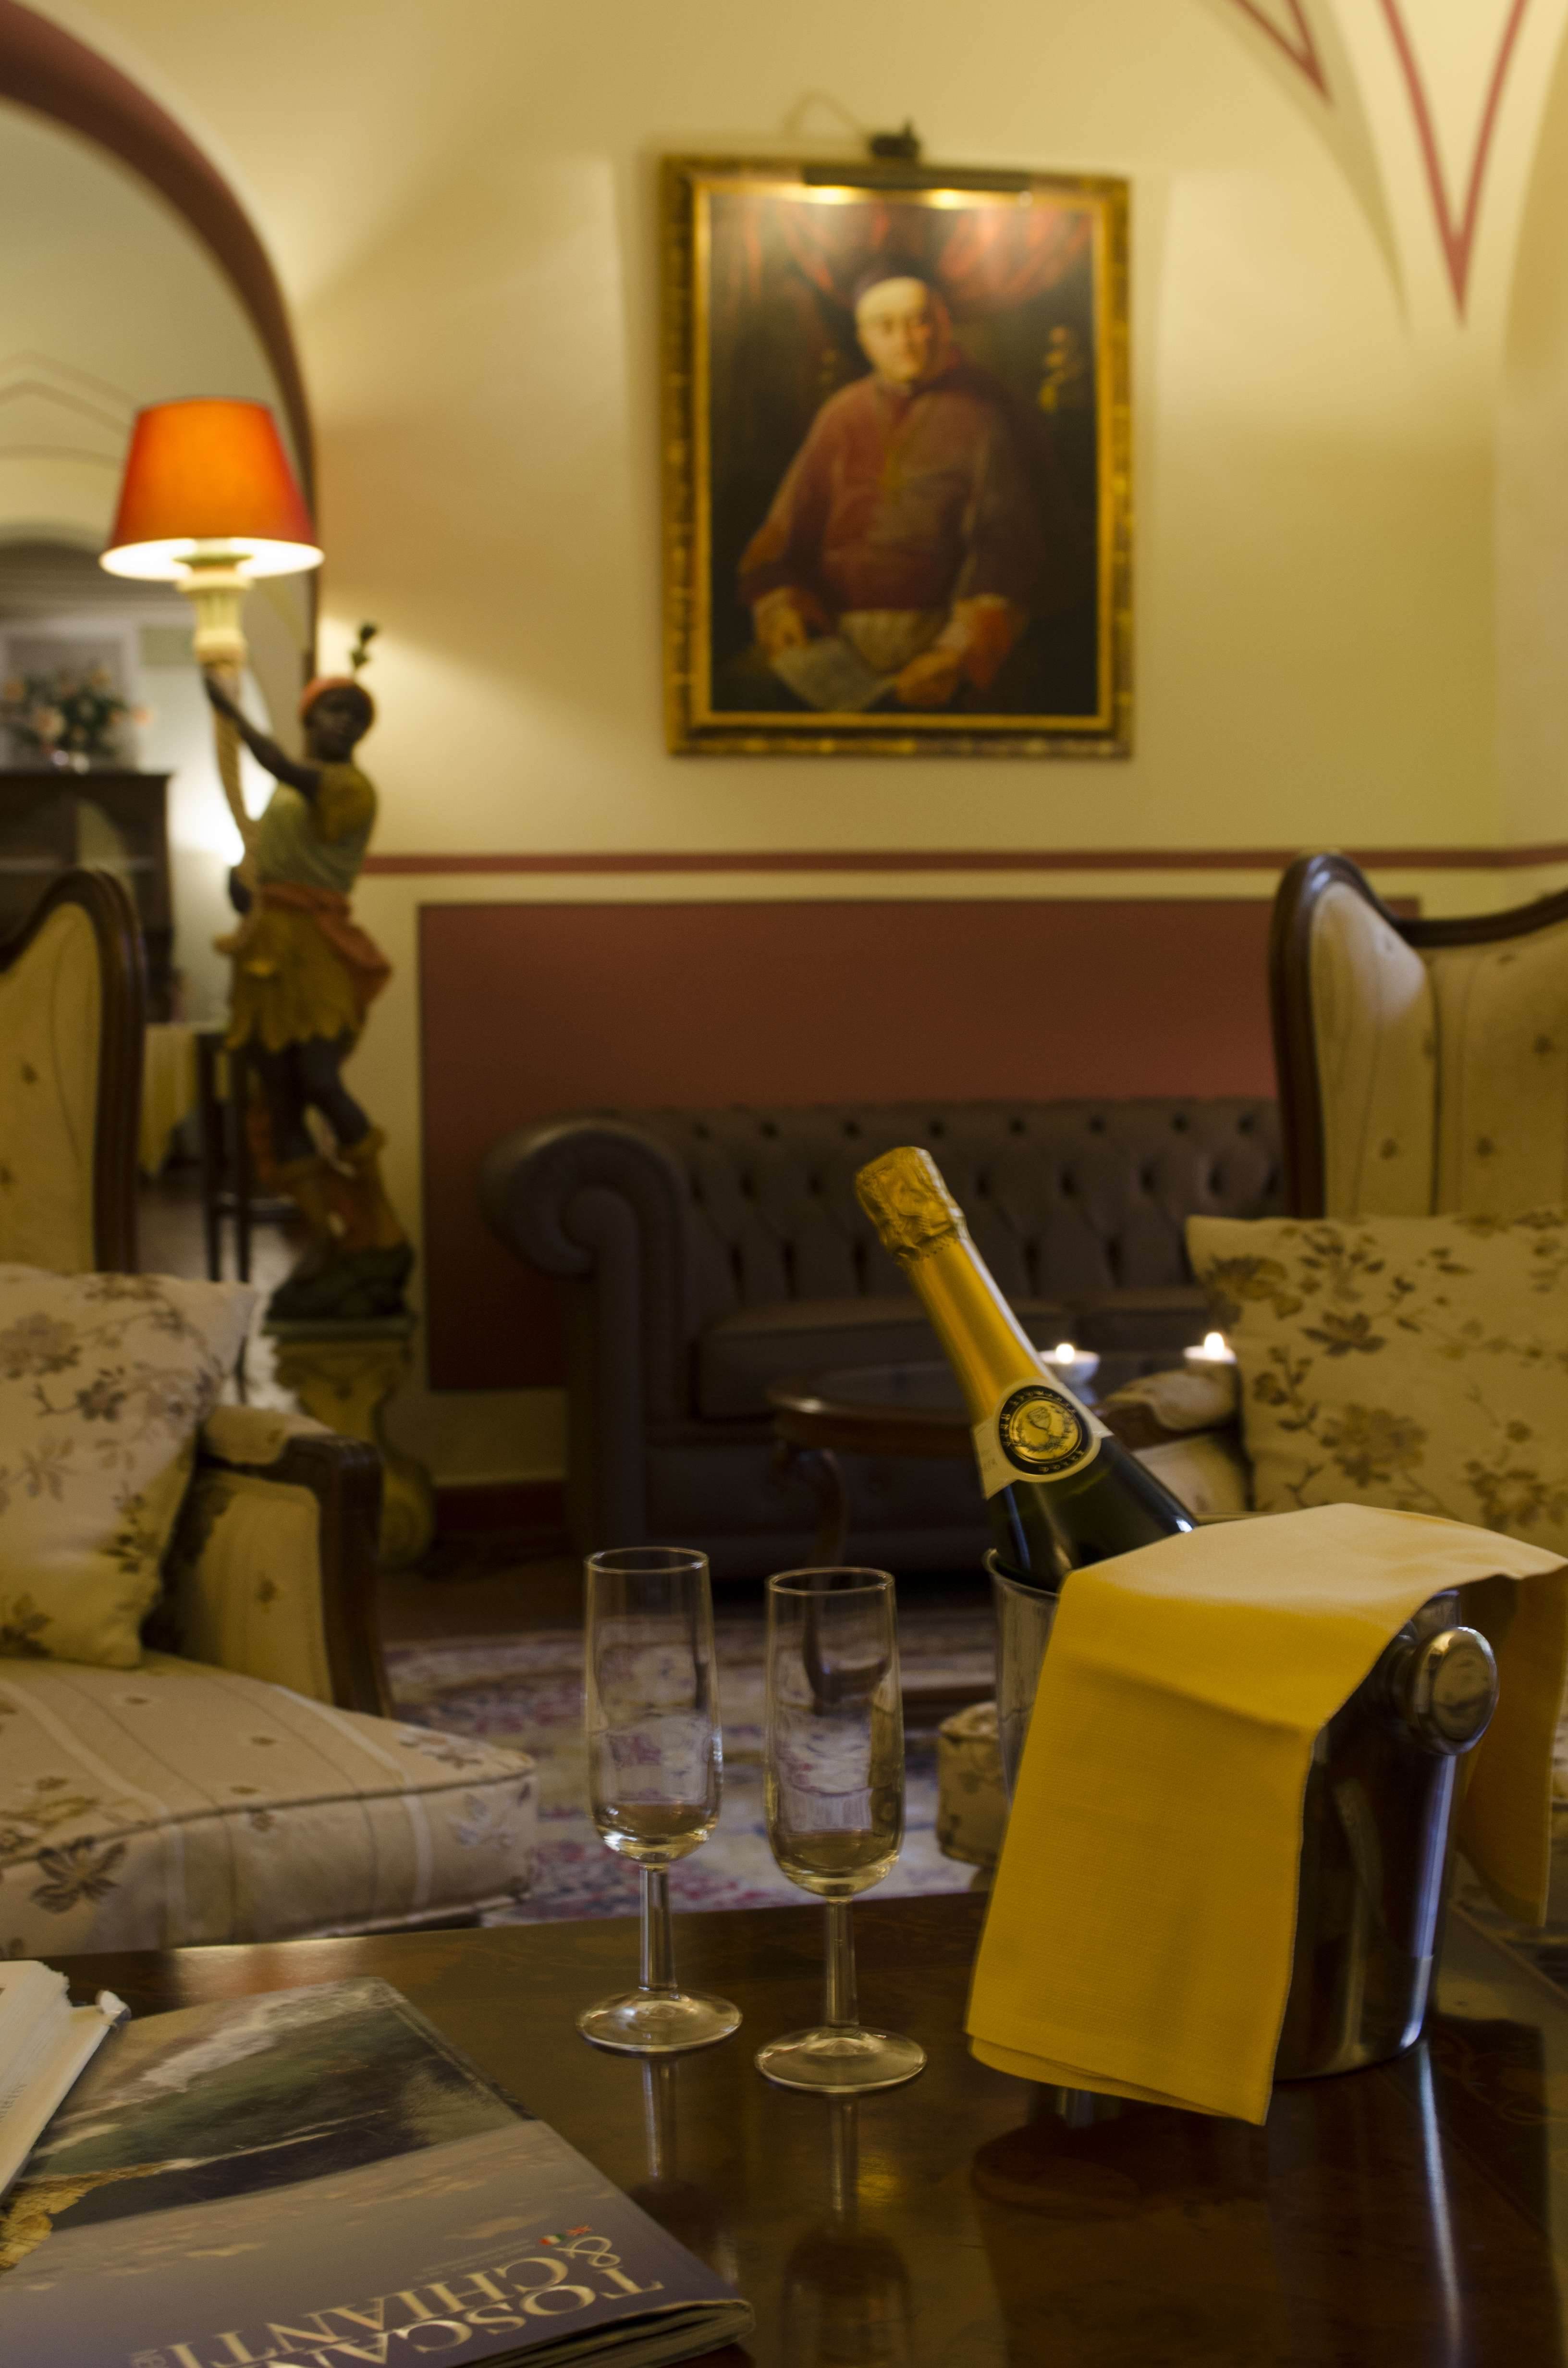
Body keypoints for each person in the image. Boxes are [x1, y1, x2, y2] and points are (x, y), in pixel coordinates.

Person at [736, 267, 1046, 711]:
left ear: (945, 326)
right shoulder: (842, 413)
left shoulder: (990, 411)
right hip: (834, 638)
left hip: (939, 639)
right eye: (885, 327)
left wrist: (957, 651)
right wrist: (781, 605)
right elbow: (782, 535)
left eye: (919, 322)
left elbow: (1008, 547)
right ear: (864, 340)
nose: (904, 341)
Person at [203, 661, 412, 1321]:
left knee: (321, 1077)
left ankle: (377, 1214)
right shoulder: (289, 796)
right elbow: (271, 858)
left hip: (316, 948)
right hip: (269, 951)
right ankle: (325, 1235)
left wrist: (232, 713)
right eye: (334, 711)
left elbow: (280, 766)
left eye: (357, 717)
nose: (343, 724)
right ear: (310, 717)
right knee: (280, 1096)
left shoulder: (350, 787)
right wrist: (247, 886)